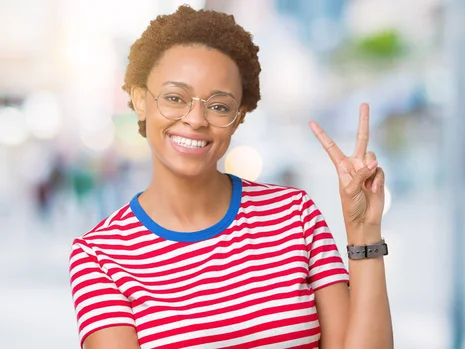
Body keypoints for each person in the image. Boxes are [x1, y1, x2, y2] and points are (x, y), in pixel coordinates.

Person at [68, 5, 393, 349]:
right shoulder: (100, 256)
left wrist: (364, 231)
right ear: (140, 101)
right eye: (175, 98)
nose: (195, 119)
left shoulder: (295, 215)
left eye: (219, 105)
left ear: (238, 118)